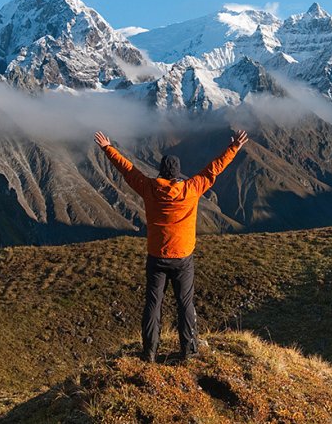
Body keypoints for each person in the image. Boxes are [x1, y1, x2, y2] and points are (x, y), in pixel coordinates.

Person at [94, 129, 249, 362]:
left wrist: (108, 148)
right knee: (185, 304)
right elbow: (214, 168)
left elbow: (127, 170)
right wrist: (234, 148)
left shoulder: (148, 188)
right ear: (177, 174)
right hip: (183, 258)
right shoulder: (191, 188)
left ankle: (149, 352)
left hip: (156, 256)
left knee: (153, 305)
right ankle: (189, 350)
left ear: (161, 171)